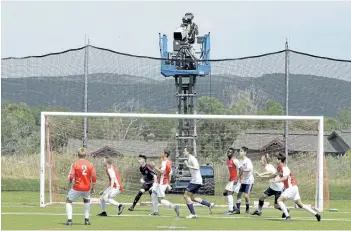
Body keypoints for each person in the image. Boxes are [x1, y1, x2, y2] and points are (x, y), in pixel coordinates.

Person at [272, 153, 321, 221]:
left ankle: (288, 216)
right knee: (300, 205)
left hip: (291, 188)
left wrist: (276, 181)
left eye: (276, 159)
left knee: (279, 200)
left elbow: (285, 178)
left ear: (280, 160)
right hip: (293, 188)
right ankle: (316, 214)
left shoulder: (285, 168)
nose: (275, 160)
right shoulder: (278, 168)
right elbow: (277, 175)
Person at [65, 148, 96, 225]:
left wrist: (69, 183)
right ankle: (87, 220)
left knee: (68, 201)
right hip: (87, 188)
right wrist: (93, 187)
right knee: (87, 201)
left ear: (77, 155)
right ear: (86, 155)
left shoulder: (75, 164)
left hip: (77, 187)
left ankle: (69, 220)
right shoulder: (90, 164)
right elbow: (94, 176)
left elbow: (71, 176)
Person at [183, 146, 215, 218]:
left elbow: (197, 167)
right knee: (192, 198)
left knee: (186, 195)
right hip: (196, 180)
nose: (183, 152)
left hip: (196, 181)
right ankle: (209, 204)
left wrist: (188, 165)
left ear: (188, 152)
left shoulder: (192, 158)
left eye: (184, 151)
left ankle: (193, 214)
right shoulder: (189, 158)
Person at [150, 149, 180, 217]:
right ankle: (156, 212)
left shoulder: (166, 163)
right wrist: (168, 184)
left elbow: (162, 172)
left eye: (162, 152)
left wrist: (154, 166)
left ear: (165, 154)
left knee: (161, 200)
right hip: (160, 182)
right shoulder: (166, 162)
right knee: (153, 194)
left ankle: (174, 207)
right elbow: (168, 173)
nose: (161, 153)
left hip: (161, 183)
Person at [233, 146, 254, 214]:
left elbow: (249, 169)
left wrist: (243, 170)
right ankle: (238, 210)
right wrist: (237, 178)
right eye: (239, 151)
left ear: (245, 152)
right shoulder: (240, 161)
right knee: (239, 195)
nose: (240, 152)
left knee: (246, 196)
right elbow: (239, 171)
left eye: (241, 151)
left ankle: (247, 209)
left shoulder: (248, 161)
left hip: (249, 180)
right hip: (243, 181)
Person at [223, 147, 241, 215]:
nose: (228, 153)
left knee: (229, 193)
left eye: (230, 152)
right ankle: (235, 209)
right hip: (231, 180)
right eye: (228, 152)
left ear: (233, 153)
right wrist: (229, 179)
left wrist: (237, 179)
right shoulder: (228, 161)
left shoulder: (235, 160)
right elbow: (231, 171)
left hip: (236, 180)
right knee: (225, 193)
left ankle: (230, 210)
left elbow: (241, 169)